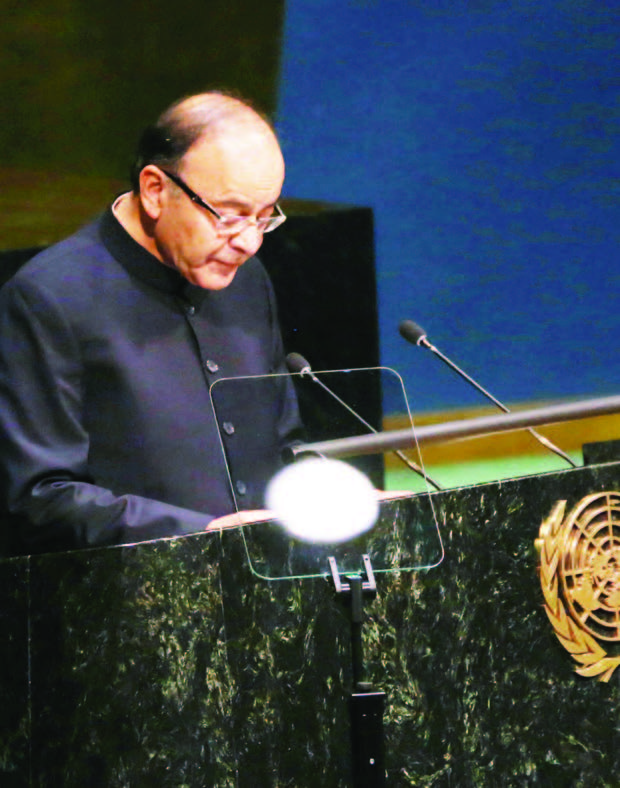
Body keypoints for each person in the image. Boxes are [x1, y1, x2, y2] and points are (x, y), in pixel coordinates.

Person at [0, 91, 302, 556]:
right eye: (230, 215)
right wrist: (207, 533)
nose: (248, 243)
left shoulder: (248, 282)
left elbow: (283, 445)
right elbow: (39, 495)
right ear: (156, 190)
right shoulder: (49, 299)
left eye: (264, 219)